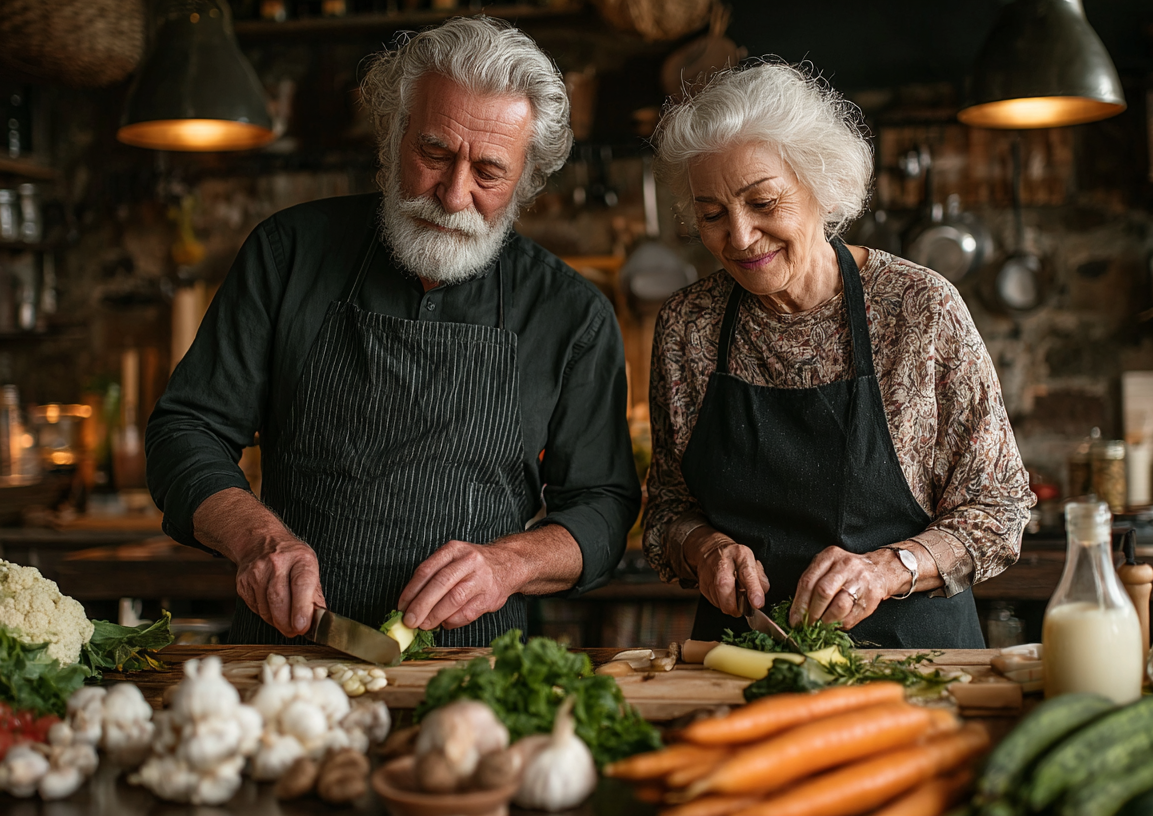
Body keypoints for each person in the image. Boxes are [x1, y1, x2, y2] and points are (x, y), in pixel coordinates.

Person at [146, 17, 640, 646]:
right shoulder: (288, 253)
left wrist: (509, 564)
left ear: (527, 177)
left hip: (472, 674)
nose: (453, 195)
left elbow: (602, 506)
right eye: (434, 153)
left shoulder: (571, 314)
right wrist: (257, 540)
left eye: (488, 172)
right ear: (394, 133)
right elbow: (185, 430)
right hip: (289, 661)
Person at [642, 63, 1034, 648]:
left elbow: (999, 509)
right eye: (713, 215)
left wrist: (888, 568)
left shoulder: (919, 309)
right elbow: (668, 507)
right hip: (744, 660)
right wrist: (703, 548)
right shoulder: (687, 326)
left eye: (763, 202)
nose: (741, 237)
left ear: (820, 186)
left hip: (911, 662)